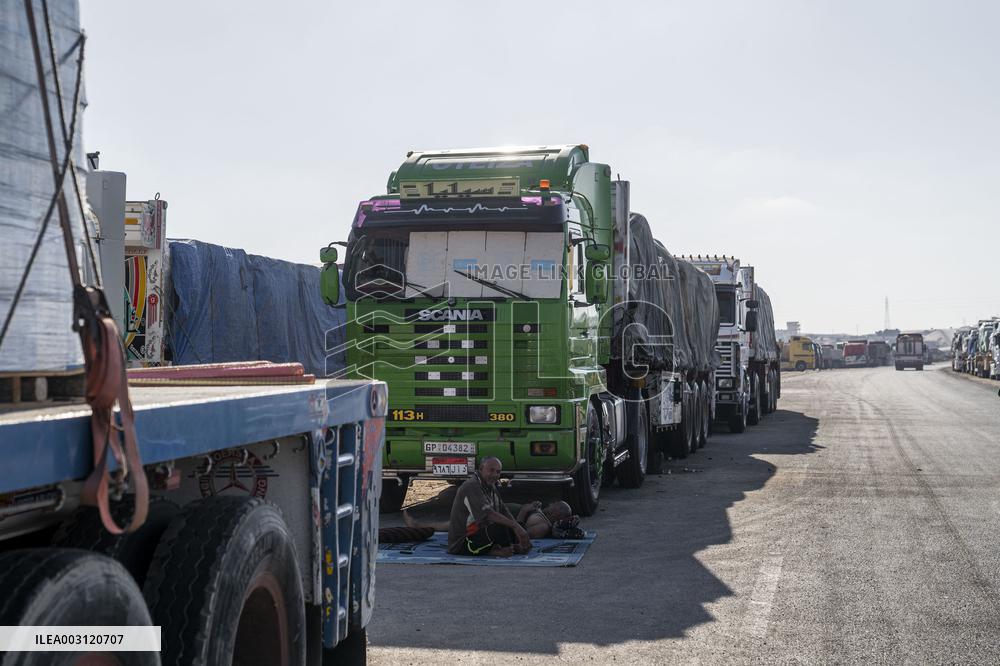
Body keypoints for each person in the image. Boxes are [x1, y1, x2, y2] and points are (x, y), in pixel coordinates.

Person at [447, 456, 530, 557]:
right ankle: (498, 550)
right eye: (491, 470)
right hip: (463, 542)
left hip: (482, 533)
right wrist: (514, 526)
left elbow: (503, 510)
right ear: (481, 469)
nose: (495, 474)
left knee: (520, 526)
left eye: (498, 472)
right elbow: (488, 514)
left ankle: (508, 547)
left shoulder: (490, 484)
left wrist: (518, 527)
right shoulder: (471, 486)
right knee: (500, 528)